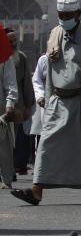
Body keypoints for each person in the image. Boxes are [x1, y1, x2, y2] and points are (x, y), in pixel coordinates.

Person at [10, 0, 81, 206]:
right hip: (58, 100)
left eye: (68, 15)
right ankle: (37, 191)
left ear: (78, 14)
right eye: (61, 15)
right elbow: (50, 69)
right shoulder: (54, 33)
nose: (64, 19)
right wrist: (47, 96)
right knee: (46, 143)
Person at [7, 28, 35, 176]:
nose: (12, 44)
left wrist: (28, 106)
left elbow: (27, 83)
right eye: (9, 41)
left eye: (14, 41)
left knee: (15, 139)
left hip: (17, 106)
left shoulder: (21, 58)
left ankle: (13, 168)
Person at [0, 40, 19, 188]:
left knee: (3, 146)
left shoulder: (5, 57)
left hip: (1, 109)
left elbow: (10, 82)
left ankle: (6, 179)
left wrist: (10, 104)